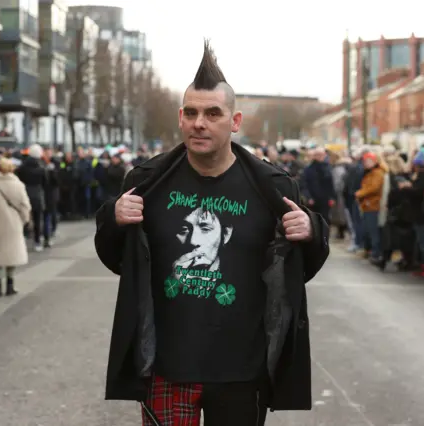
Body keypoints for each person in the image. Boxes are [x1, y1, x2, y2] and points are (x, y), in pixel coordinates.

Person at [94, 41, 330, 426]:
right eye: (191, 113)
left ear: (234, 121)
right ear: (180, 117)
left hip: (242, 366)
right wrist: (114, 219)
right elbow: (117, 259)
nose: (199, 123)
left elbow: (298, 272)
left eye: (212, 113)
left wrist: (311, 231)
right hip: (167, 364)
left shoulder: (273, 188)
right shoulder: (146, 184)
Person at [0, 158, 31, 296]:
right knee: (11, 253)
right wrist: (24, 220)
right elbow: (25, 206)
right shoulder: (18, 185)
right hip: (13, 224)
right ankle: (10, 284)